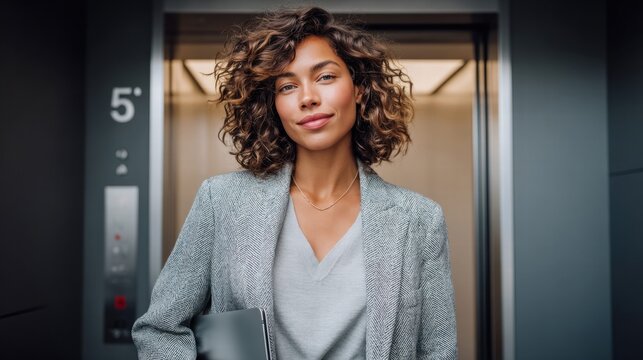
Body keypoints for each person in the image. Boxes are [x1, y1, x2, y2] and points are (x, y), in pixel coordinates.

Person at [132, 6, 457, 360]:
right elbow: (159, 328)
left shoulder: (419, 220)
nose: (307, 98)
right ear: (273, 104)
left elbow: (437, 351)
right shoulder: (222, 201)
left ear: (360, 88)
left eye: (326, 77)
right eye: (287, 86)